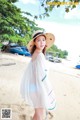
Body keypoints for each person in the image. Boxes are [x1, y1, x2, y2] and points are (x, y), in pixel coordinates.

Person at [20, 30, 56, 120]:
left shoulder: (35, 54)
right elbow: (41, 76)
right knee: (41, 115)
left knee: (38, 114)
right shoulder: (40, 55)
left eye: (43, 40)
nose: (42, 43)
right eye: (39, 40)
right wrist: (46, 90)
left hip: (33, 87)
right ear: (35, 43)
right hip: (38, 88)